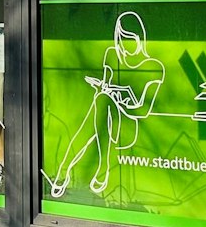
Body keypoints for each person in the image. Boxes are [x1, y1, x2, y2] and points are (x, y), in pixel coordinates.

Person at [49, 11, 165, 198]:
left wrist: (120, 100)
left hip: (126, 126)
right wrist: (103, 87)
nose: (126, 46)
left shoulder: (153, 67)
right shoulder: (112, 55)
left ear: (140, 39)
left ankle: (65, 171)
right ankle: (89, 168)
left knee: (103, 102)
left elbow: (142, 111)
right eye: (122, 39)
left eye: (131, 39)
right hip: (101, 120)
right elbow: (104, 91)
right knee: (101, 100)